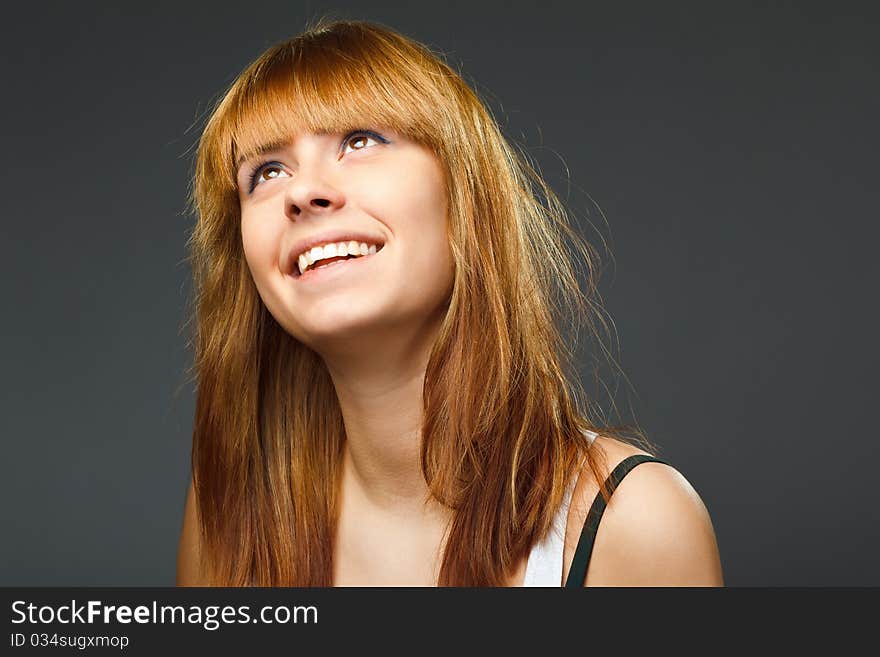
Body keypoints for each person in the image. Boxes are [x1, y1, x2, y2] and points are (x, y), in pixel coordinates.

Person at [176, 18, 724, 587]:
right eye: (265, 172)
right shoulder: (229, 510)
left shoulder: (633, 523)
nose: (300, 192)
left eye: (360, 140)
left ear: (465, 195)